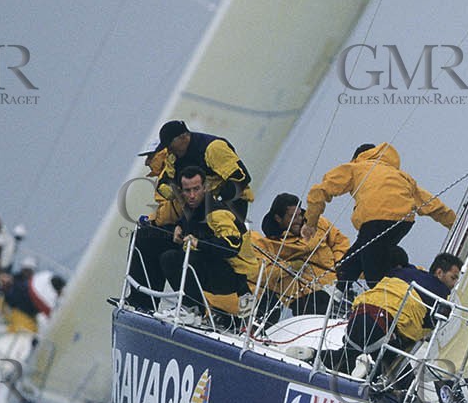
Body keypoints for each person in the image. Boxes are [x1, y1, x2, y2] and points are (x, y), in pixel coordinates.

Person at [302, 143, 456, 288]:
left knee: (373, 272)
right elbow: (433, 205)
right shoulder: (401, 175)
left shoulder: (356, 167)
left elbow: (319, 191)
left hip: (374, 219)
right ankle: (340, 288)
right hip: (403, 222)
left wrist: (311, 223)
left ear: (356, 157)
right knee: (359, 254)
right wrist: (456, 224)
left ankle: (376, 300)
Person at [152, 166, 260, 315]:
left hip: (238, 277)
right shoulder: (194, 209)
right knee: (165, 252)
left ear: (205, 188)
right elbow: (190, 221)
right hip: (219, 271)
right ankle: (191, 307)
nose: (192, 195)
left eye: (196, 189)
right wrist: (179, 227)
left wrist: (198, 243)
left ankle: (193, 309)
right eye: (187, 190)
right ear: (181, 191)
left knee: (174, 258)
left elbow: (231, 247)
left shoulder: (217, 213)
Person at [339, 251, 463, 373]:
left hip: (357, 317)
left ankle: (328, 364)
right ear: (439, 273)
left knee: (345, 357)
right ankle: (374, 378)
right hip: (382, 329)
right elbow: (430, 329)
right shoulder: (441, 292)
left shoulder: (402, 272)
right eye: (453, 278)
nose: (454, 284)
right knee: (398, 380)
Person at [252, 193, 350, 320]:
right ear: (278, 218)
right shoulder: (268, 245)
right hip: (305, 300)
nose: (298, 219)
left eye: (299, 214)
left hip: (338, 288)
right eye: (292, 216)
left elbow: (340, 242)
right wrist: (289, 267)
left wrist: (340, 266)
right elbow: (262, 275)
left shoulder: (318, 224)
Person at [143, 119, 253, 220]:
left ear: (183, 137)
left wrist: (218, 202)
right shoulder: (173, 157)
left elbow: (241, 177)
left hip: (232, 201)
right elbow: (164, 183)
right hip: (200, 205)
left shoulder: (213, 148)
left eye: (170, 145)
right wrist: (178, 193)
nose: (168, 150)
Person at [0, 259, 54, 334]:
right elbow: (10, 296)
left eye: (29, 271)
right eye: (25, 270)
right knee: (26, 329)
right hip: (12, 309)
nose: (27, 273)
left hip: (26, 313)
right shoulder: (15, 281)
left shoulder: (33, 285)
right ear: (22, 269)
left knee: (32, 328)